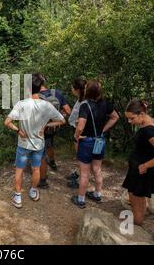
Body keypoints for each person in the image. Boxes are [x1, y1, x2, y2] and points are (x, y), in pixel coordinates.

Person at [4, 73, 65, 208]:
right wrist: (46, 125)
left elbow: (7, 122)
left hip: (23, 144)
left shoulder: (22, 104)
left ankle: (18, 197)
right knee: (36, 168)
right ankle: (33, 191)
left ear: (28, 88)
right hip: (38, 144)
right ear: (41, 86)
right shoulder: (46, 105)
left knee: (19, 170)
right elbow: (62, 120)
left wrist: (18, 130)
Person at [71, 80, 119, 208]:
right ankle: (97, 194)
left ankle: (81, 199)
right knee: (97, 169)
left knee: (84, 172)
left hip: (86, 142)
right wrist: (103, 129)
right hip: (99, 140)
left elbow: (80, 126)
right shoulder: (105, 104)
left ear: (88, 91)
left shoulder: (85, 106)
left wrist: (76, 137)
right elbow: (115, 117)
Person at [122, 99, 154, 225]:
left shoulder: (149, 130)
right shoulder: (151, 121)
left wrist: (145, 165)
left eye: (131, 118)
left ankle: (136, 230)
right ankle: (136, 221)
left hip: (141, 172)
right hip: (138, 169)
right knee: (138, 201)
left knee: (137, 206)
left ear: (142, 114)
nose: (129, 121)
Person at [37, 74, 71, 188]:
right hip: (53, 127)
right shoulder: (56, 93)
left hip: (39, 127)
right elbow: (68, 110)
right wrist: (58, 117)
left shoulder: (34, 96)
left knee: (41, 153)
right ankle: (52, 161)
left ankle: (43, 180)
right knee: (49, 144)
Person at [66, 77, 87, 188]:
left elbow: (83, 119)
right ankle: (78, 174)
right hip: (76, 128)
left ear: (77, 89)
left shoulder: (84, 101)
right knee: (80, 155)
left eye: (72, 87)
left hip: (80, 131)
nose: (71, 89)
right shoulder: (81, 99)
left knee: (82, 156)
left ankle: (80, 180)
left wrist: (77, 134)